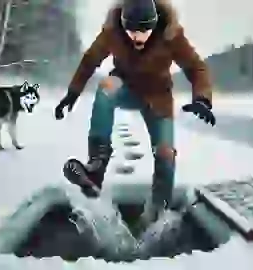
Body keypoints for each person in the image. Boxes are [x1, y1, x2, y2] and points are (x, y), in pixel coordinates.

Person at [54, 0, 216, 227]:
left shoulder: (171, 35)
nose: (137, 37)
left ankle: (157, 212)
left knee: (165, 155)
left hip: (158, 97)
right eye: (131, 31)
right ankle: (96, 167)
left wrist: (202, 98)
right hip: (125, 88)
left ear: (155, 24)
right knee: (107, 86)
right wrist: (73, 93)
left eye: (144, 31)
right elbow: (90, 59)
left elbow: (196, 67)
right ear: (123, 24)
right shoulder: (113, 32)